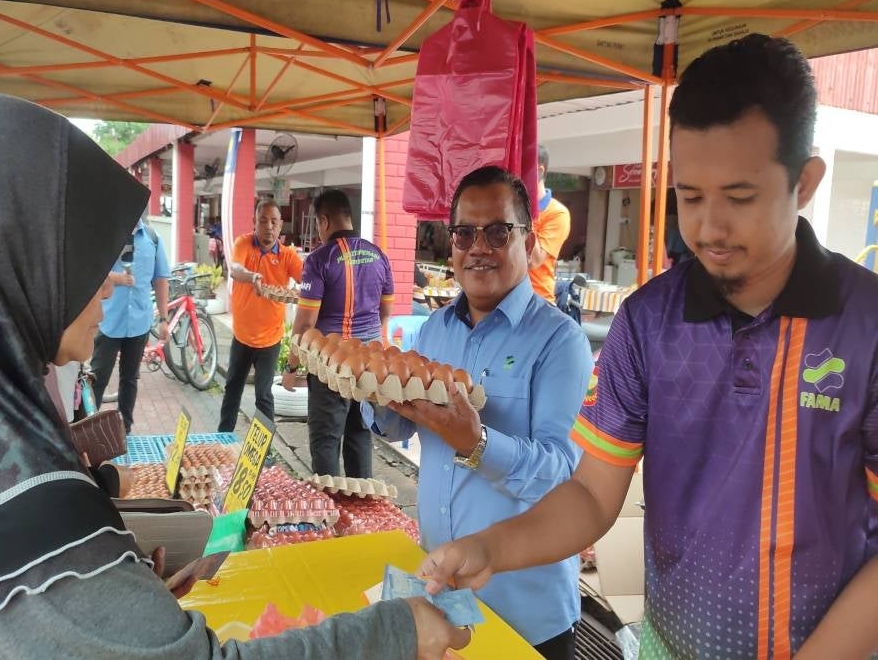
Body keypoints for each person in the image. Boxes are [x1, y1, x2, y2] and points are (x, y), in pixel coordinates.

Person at [0, 94, 468, 660]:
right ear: (9, 263)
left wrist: (122, 595)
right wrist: (395, 634)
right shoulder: (8, 503)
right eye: (81, 257)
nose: (111, 281)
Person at [420, 34, 878, 659]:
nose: (709, 228)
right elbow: (588, 495)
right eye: (689, 196)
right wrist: (489, 549)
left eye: (739, 198)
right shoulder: (648, 323)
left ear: (805, 183)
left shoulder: (866, 326)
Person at [363, 166, 592, 658]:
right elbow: (404, 423)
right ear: (451, 245)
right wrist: (376, 398)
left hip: (525, 612)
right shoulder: (434, 330)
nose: (479, 247)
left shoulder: (559, 341)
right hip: (442, 595)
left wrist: (477, 442)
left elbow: (562, 476)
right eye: (465, 232)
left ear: (528, 242)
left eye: (497, 231)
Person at [283, 189, 395, 477]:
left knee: (326, 440)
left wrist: (291, 365)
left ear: (324, 221)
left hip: (330, 365)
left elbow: (305, 323)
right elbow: (384, 313)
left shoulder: (320, 260)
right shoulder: (378, 255)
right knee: (360, 433)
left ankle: (330, 513)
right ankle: (362, 514)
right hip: (369, 364)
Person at [218, 200, 303, 432]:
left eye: (274, 222)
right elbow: (235, 269)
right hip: (242, 337)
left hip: (270, 340)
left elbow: (307, 278)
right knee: (232, 389)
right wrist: (251, 276)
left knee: (263, 395)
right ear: (254, 222)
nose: (269, 227)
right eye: (263, 220)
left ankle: (264, 453)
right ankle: (223, 439)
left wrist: (312, 289)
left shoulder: (287, 256)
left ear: (281, 225)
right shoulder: (244, 243)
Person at [90, 212, 171, 434]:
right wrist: (116, 279)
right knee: (98, 377)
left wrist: (164, 319)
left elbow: (161, 278)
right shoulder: (107, 235)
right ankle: (87, 429)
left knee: (130, 378)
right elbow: (91, 270)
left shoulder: (152, 238)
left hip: (139, 321)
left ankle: (124, 430)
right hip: (108, 320)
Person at [527, 146, 571, 303]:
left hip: (537, 303)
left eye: (522, 169)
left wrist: (525, 209)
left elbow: (534, 261)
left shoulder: (557, 213)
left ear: (539, 171)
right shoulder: (508, 205)